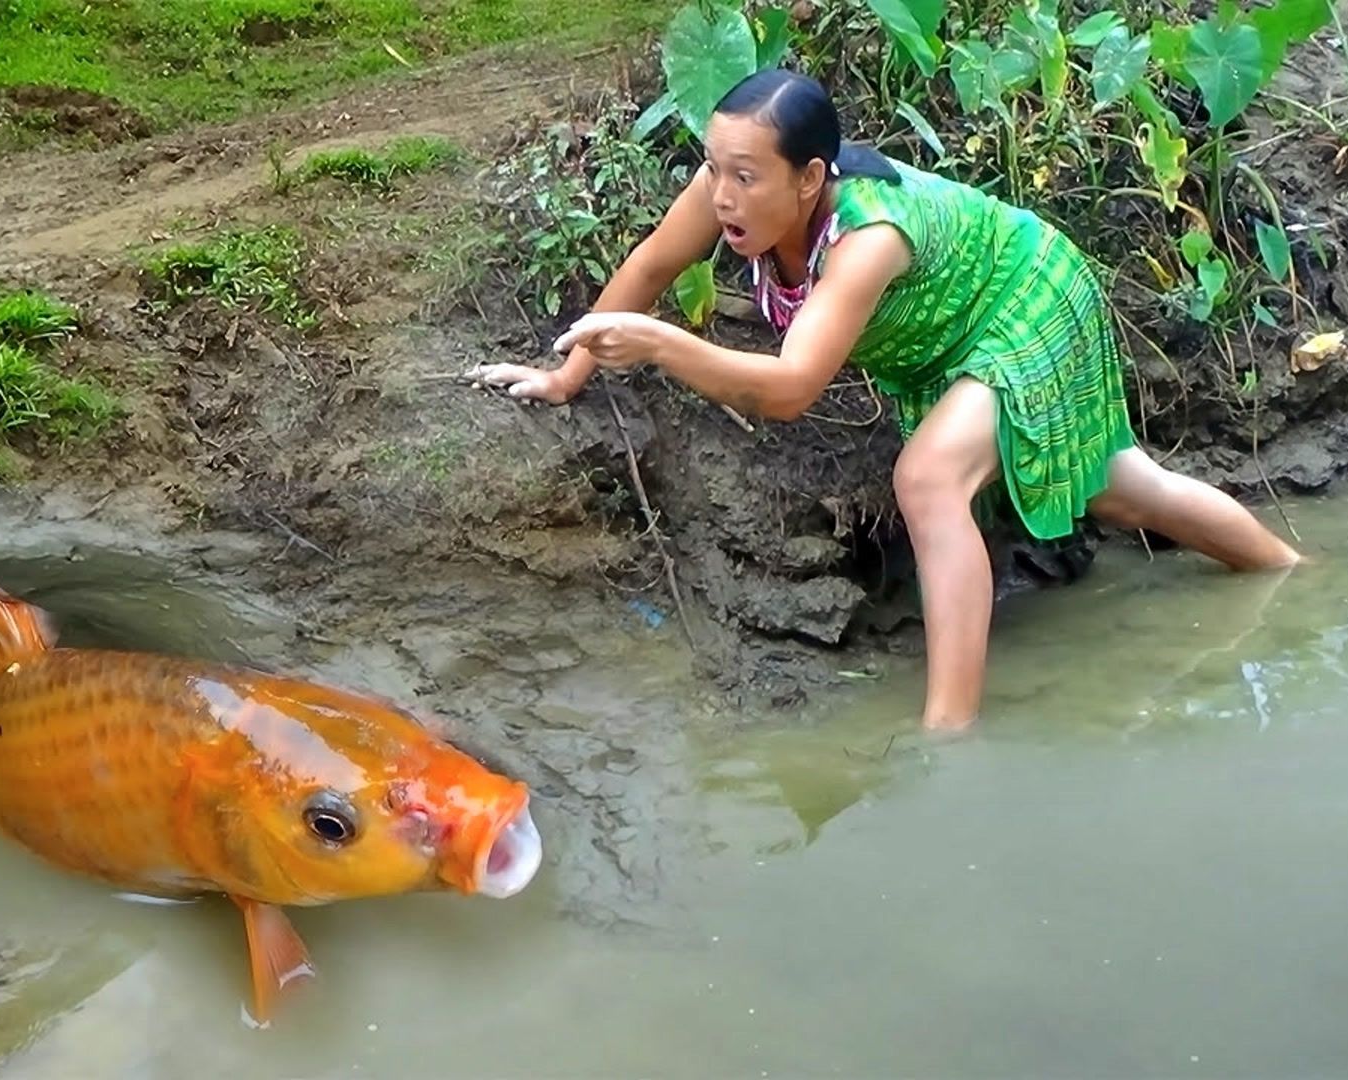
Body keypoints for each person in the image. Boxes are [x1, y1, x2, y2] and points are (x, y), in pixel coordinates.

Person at [465, 69, 1302, 732]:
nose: (720, 194)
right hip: (953, 334)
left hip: (1029, 301)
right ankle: (1290, 579)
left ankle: (950, 735)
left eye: (745, 176)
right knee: (1118, 487)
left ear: (810, 180)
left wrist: (661, 345)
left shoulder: (867, 238)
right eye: (713, 167)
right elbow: (649, 268)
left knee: (929, 479)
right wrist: (566, 373)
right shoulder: (729, 190)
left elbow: (792, 390)